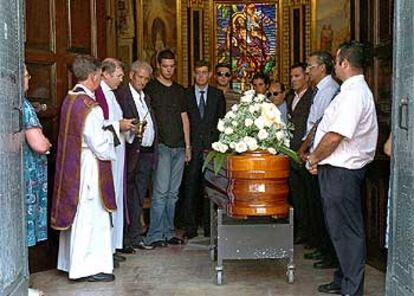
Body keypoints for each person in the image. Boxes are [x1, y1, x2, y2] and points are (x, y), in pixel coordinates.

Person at [306, 41, 378, 296]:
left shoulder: (355, 94)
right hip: (336, 169)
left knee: (346, 231)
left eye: (336, 61)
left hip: (343, 172)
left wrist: (314, 157)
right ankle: (343, 278)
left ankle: (352, 288)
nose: (334, 66)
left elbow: (336, 135)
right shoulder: (350, 91)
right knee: (337, 229)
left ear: (344, 63)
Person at [51, 55, 119, 282]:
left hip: (73, 164)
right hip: (89, 168)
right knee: (90, 217)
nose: (100, 79)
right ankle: (87, 267)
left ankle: (69, 262)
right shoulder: (91, 107)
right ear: (93, 76)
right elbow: (100, 147)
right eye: (100, 75)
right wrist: (112, 136)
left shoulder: (70, 99)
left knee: (76, 213)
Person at [144, 49, 191, 247]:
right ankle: (155, 234)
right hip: (162, 145)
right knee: (160, 192)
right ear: (158, 65)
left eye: (172, 66)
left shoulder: (180, 90)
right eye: (165, 66)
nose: (169, 70)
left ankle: (169, 231)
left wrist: (188, 146)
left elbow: (184, 118)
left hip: (179, 146)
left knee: (173, 194)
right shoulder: (151, 88)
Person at [300, 51, 340, 269]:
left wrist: (306, 149)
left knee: (324, 207)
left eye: (310, 66)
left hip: (321, 155)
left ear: (322, 68)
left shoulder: (329, 90)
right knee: (316, 205)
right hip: (314, 154)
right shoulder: (321, 90)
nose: (308, 71)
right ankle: (323, 248)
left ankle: (329, 253)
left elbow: (320, 125)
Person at [95, 58, 136, 265]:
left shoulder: (112, 94)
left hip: (117, 155)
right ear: (106, 74)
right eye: (119, 76)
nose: (121, 80)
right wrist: (119, 124)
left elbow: (116, 123)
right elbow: (96, 126)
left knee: (117, 199)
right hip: (106, 156)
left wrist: (127, 127)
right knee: (109, 199)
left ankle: (113, 246)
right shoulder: (98, 94)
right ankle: (106, 249)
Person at [115, 60, 157, 252]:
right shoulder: (122, 96)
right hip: (132, 153)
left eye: (146, 79)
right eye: (140, 77)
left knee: (139, 196)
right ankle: (123, 239)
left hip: (146, 153)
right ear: (131, 75)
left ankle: (135, 236)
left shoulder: (145, 97)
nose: (143, 82)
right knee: (126, 195)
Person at [183, 60, 226, 239]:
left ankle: (210, 228)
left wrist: (220, 148)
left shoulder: (217, 95)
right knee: (190, 187)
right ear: (194, 74)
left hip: (212, 149)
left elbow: (222, 123)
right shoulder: (186, 94)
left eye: (204, 72)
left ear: (209, 75)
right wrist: (187, 146)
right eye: (198, 72)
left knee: (211, 189)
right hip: (192, 148)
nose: (201, 75)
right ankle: (190, 228)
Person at [23, 64, 51, 296]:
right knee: (20, 229)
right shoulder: (22, 107)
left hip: (20, 179)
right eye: (25, 74)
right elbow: (39, 144)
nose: (29, 77)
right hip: (25, 181)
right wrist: (47, 143)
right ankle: (21, 284)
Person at [286, 63, 313, 244]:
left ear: (306, 77)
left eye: (297, 76)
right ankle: (300, 231)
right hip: (291, 153)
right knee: (296, 196)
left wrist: (304, 149)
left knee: (309, 196)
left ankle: (311, 234)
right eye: (292, 77)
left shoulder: (312, 98)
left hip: (304, 154)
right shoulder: (290, 98)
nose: (293, 80)